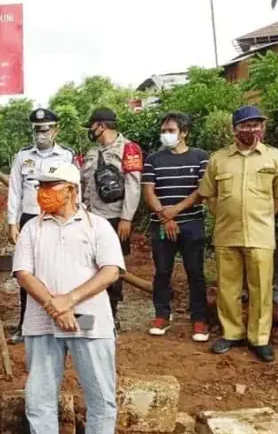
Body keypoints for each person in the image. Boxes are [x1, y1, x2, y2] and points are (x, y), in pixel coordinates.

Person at [13, 163, 126, 434]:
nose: (43, 192)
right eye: (41, 186)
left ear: (72, 190)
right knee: (40, 392)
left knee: (101, 390)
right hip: (42, 320)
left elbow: (111, 271)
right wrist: (54, 305)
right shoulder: (32, 228)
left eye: (52, 186)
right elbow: (23, 274)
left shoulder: (97, 226)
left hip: (89, 320)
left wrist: (69, 301)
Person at [199, 105, 278, 363]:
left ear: (263, 128)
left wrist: (263, 214)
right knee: (227, 287)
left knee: (261, 289)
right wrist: (223, 213)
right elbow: (208, 194)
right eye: (245, 125)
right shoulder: (218, 159)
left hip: (260, 234)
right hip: (227, 233)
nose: (252, 130)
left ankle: (259, 338)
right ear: (234, 129)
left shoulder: (273, 157)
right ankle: (231, 333)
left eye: (257, 125)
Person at [7, 108, 76, 344]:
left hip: (57, 219)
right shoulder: (23, 156)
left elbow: (74, 188)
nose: (41, 134)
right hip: (30, 219)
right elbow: (14, 190)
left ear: (55, 129)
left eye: (45, 129)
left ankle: (62, 317)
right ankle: (25, 324)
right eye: (37, 130)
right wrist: (12, 222)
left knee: (59, 268)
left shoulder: (66, 156)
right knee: (27, 273)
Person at [141, 114, 210, 341]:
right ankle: (162, 314)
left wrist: (176, 211)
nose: (166, 134)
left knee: (195, 272)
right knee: (162, 272)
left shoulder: (201, 157)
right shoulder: (153, 159)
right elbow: (149, 192)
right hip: (161, 224)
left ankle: (199, 318)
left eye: (170, 130)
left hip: (192, 223)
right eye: (164, 130)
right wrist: (165, 217)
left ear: (184, 132)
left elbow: (201, 191)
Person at [81, 107, 143, 330]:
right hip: (91, 218)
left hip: (116, 218)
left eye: (92, 125)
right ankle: (93, 312)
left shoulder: (128, 148)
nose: (90, 129)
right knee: (89, 266)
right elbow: (84, 185)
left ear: (101, 125)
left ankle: (112, 315)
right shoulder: (91, 152)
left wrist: (126, 218)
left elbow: (133, 186)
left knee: (113, 267)